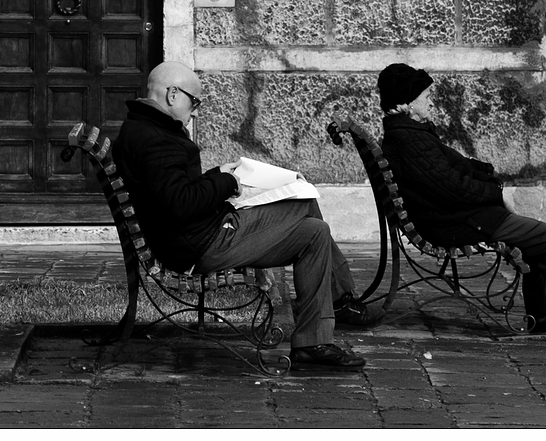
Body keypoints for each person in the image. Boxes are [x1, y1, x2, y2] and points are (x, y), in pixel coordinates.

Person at [113, 61, 383, 371]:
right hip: (201, 244)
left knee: (314, 231)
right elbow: (180, 204)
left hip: (195, 236)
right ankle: (332, 312)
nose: (197, 111)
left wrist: (217, 174)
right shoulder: (156, 139)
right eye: (195, 101)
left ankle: (317, 336)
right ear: (173, 94)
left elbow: (172, 191)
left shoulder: (143, 127)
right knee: (304, 198)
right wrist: (226, 182)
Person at [376, 63, 546, 343]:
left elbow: (455, 168)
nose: (431, 101)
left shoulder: (410, 134)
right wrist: (496, 193)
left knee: (537, 239)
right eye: (426, 96)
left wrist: (490, 179)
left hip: (455, 217)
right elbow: (452, 188)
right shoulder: (409, 140)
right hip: (456, 222)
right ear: (406, 102)